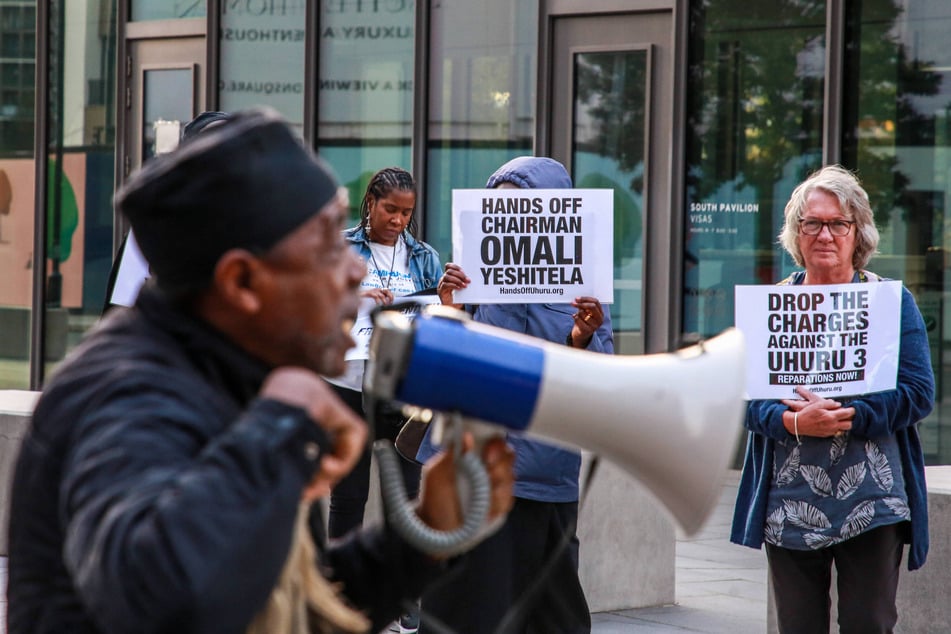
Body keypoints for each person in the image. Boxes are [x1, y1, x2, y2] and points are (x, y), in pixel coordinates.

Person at [6, 107, 515, 634]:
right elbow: (155, 599)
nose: (355, 271)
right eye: (324, 247)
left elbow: (291, 604)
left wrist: (424, 535)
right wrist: (280, 422)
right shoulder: (127, 394)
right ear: (243, 284)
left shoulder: (230, 379)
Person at [730, 165, 935, 633]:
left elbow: (919, 394)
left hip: (874, 500)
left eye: (837, 223)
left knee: (869, 623)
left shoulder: (890, 301)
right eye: (812, 223)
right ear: (796, 233)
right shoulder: (770, 306)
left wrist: (849, 417)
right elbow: (744, 400)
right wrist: (795, 424)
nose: (824, 234)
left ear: (857, 232)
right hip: (789, 501)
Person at [419, 156, 614, 634]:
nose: (510, 218)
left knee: (551, 614)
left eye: (524, 207)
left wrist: (582, 337)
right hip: (474, 468)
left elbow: (602, 380)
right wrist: (450, 312)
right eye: (501, 206)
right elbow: (442, 368)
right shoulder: (472, 278)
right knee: (463, 609)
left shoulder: (581, 290)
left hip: (544, 478)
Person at [327, 167, 441, 634]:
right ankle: (342, 599)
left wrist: (448, 294)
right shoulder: (339, 248)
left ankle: (403, 596)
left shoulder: (426, 256)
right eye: (391, 209)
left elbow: (442, 314)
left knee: (407, 500)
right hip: (348, 386)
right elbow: (315, 303)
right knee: (348, 497)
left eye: (407, 212)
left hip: (404, 393)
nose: (398, 220)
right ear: (370, 202)